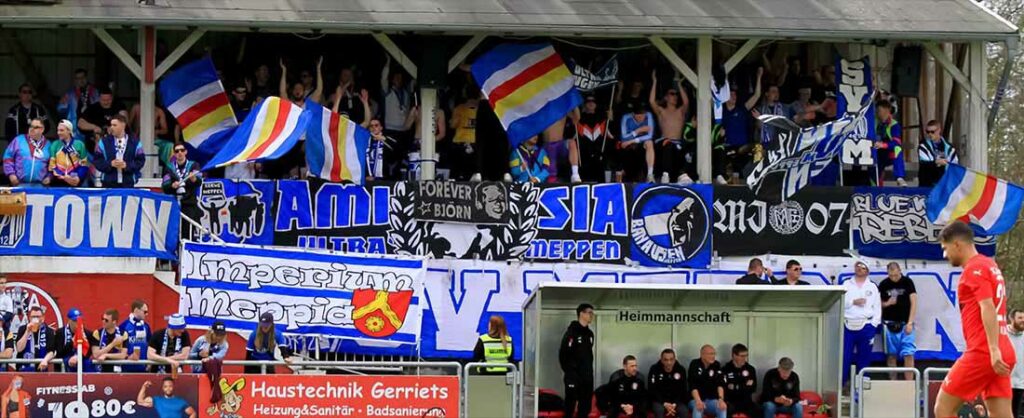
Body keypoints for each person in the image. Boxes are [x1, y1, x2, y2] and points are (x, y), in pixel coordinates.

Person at [935, 221, 1016, 418]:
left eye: (945, 249)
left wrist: (993, 349)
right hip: (1003, 349)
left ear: (957, 244)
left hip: (984, 351)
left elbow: (987, 306)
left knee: (943, 409)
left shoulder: (974, 269)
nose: (945, 255)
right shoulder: (990, 265)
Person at [843, 261, 882, 383]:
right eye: (857, 266)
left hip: (866, 325)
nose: (859, 269)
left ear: (867, 271)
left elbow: (877, 307)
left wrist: (873, 325)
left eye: (862, 267)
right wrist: (853, 302)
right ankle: (841, 384)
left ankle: (862, 387)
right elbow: (840, 302)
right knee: (844, 356)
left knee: (864, 357)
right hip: (847, 324)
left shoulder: (872, 287)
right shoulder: (846, 284)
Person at [878, 262, 918, 380]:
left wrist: (910, 322)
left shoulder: (907, 282)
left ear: (900, 270)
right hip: (889, 324)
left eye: (896, 275)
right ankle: (893, 383)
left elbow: (914, 302)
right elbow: (876, 303)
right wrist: (887, 303)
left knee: (909, 354)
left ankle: (909, 384)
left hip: (905, 323)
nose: (894, 278)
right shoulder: (884, 284)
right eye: (891, 276)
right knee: (891, 355)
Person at [649, 71, 689, 184]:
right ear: (666, 97)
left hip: (678, 143)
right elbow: (652, 101)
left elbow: (686, 102)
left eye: (676, 94)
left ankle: (681, 174)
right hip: (664, 142)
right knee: (668, 144)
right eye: (672, 94)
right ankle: (665, 174)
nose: (675, 96)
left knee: (683, 150)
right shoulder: (662, 111)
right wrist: (655, 82)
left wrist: (679, 84)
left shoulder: (680, 111)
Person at [721, 68, 763, 177]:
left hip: (743, 148)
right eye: (731, 94)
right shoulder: (720, 112)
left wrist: (759, 76)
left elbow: (757, 95)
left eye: (735, 94)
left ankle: (758, 176)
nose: (734, 96)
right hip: (728, 148)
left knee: (758, 148)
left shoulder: (742, 109)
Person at [560, 303, 596, 418]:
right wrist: (571, 373)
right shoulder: (571, 333)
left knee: (585, 407)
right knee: (570, 406)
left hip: (587, 377)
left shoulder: (590, 334)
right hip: (574, 377)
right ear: (582, 314)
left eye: (592, 313)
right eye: (589, 312)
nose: (592, 315)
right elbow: (563, 355)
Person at [161, 143, 203, 238]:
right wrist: (172, 185)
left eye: (182, 150)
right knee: (174, 231)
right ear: (174, 154)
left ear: (186, 152)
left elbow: (199, 181)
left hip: (189, 204)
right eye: (177, 151)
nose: (179, 153)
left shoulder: (194, 165)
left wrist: (194, 179)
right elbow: (165, 185)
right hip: (174, 204)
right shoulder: (169, 167)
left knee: (188, 231)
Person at [93, 114, 145, 188]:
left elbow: (140, 161)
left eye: (115, 125)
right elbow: (97, 161)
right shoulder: (104, 142)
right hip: (108, 183)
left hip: (128, 183)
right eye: (111, 125)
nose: (111, 128)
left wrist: (127, 165)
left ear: (123, 125)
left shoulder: (135, 142)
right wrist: (110, 164)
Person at [571, 95, 614, 182]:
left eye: (593, 101)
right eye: (588, 101)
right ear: (584, 104)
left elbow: (612, 137)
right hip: (583, 158)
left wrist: (611, 119)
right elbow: (572, 138)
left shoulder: (603, 118)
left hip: (600, 156)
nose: (591, 103)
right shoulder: (579, 119)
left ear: (596, 104)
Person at [3, 117, 51, 187]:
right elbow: (8, 158)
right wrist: (11, 174)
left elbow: (53, 164)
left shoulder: (48, 145)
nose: (32, 129)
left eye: (36, 127)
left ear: (42, 129)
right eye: (31, 126)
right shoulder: (18, 140)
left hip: (40, 187)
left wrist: (49, 177)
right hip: (19, 184)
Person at [78, 87, 128, 153]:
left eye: (108, 100)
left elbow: (124, 119)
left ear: (112, 98)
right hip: (95, 141)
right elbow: (80, 123)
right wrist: (94, 127)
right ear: (99, 98)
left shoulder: (119, 106)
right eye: (103, 100)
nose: (106, 102)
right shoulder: (92, 108)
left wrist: (114, 127)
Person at [57, 68, 101, 141]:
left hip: (91, 128)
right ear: (75, 80)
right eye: (78, 78)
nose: (81, 80)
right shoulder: (70, 94)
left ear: (86, 78)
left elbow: (101, 108)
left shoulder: (95, 92)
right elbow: (60, 110)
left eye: (82, 77)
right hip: (75, 130)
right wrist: (62, 103)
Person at [449, 91, 483, 181]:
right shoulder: (482, 110)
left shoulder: (459, 108)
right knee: (474, 173)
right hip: (476, 143)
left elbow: (453, 125)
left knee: (456, 171)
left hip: (460, 142)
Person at [619, 102, 656, 182]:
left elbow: (650, 135)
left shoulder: (648, 115)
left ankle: (650, 175)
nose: (641, 117)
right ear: (633, 114)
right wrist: (638, 131)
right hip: (629, 145)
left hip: (640, 143)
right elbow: (623, 138)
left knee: (650, 143)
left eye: (642, 114)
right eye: (638, 115)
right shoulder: (626, 118)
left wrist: (632, 140)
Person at [48, 119, 91, 187]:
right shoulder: (55, 145)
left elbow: (84, 165)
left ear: (69, 131)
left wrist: (78, 177)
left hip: (75, 181)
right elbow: (52, 166)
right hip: (59, 182)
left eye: (61, 130)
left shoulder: (79, 145)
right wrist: (64, 177)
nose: (58, 133)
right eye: (58, 130)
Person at [688, 344, 727, 418]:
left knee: (722, 407)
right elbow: (693, 385)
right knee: (698, 408)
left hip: (710, 400)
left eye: (714, 354)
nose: (713, 356)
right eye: (710, 354)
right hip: (695, 399)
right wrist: (698, 401)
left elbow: (720, 384)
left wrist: (721, 399)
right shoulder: (694, 364)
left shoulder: (716, 365)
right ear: (702, 355)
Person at [874, 100, 906, 186]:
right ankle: (877, 186)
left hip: (887, 152)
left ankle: (899, 177)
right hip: (876, 152)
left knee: (897, 149)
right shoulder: (874, 122)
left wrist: (883, 145)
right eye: (877, 111)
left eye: (880, 111)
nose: (879, 114)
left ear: (887, 110)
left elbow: (896, 143)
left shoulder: (894, 125)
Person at [649, 348, 688, 418]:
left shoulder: (681, 369)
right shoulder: (654, 369)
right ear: (661, 360)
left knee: (683, 411)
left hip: (676, 401)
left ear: (675, 359)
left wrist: (674, 404)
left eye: (671, 359)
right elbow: (652, 389)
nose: (669, 362)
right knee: (659, 410)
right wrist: (665, 403)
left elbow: (683, 389)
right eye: (666, 360)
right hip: (659, 401)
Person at [918, 120, 958, 187]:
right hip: (928, 184)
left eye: (932, 132)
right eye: (927, 132)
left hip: (945, 184)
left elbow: (954, 164)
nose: (930, 134)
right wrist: (937, 162)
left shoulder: (950, 147)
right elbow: (924, 164)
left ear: (939, 130)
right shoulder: (923, 146)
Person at [722, 343, 759, 418]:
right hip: (731, 401)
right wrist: (745, 386)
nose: (745, 358)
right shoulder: (725, 369)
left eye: (746, 356)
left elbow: (753, 388)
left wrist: (735, 387)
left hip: (746, 401)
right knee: (725, 409)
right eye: (742, 356)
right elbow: (725, 389)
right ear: (734, 355)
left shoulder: (750, 369)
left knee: (758, 411)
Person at [14, 306, 55, 372]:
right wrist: (27, 332)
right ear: (29, 318)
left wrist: (45, 360)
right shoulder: (23, 329)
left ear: (43, 318)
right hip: (23, 369)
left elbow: (51, 351)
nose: (35, 319)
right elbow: (19, 349)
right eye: (33, 317)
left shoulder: (48, 331)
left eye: (38, 316)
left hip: (41, 368)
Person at [119, 299, 152, 373]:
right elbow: (118, 347)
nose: (146, 314)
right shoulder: (123, 326)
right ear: (136, 310)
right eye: (145, 312)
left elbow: (150, 345)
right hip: (127, 368)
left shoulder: (146, 326)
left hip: (144, 368)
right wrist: (127, 357)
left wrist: (150, 363)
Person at [92, 308, 127, 373]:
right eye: (102, 319)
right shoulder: (97, 333)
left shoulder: (123, 334)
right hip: (100, 370)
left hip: (118, 371)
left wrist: (106, 355)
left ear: (114, 322)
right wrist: (112, 344)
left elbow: (123, 355)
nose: (103, 321)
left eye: (106, 320)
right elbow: (96, 355)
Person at [55, 308, 90, 373]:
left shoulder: (86, 333)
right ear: (69, 321)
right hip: (65, 364)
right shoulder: (60, 332)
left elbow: (88, 352)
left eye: (79, 320)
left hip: (82, 363)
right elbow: (59, 353)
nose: (77, 322)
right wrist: (72, 342)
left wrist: (78, 356)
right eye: (75, 320)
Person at [1007, 309, 1024, 418]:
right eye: (1020, 318)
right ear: (1012, 319)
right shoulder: (1003, 334)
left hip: (1020, 384)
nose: (1023, 320)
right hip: (1005, 382)